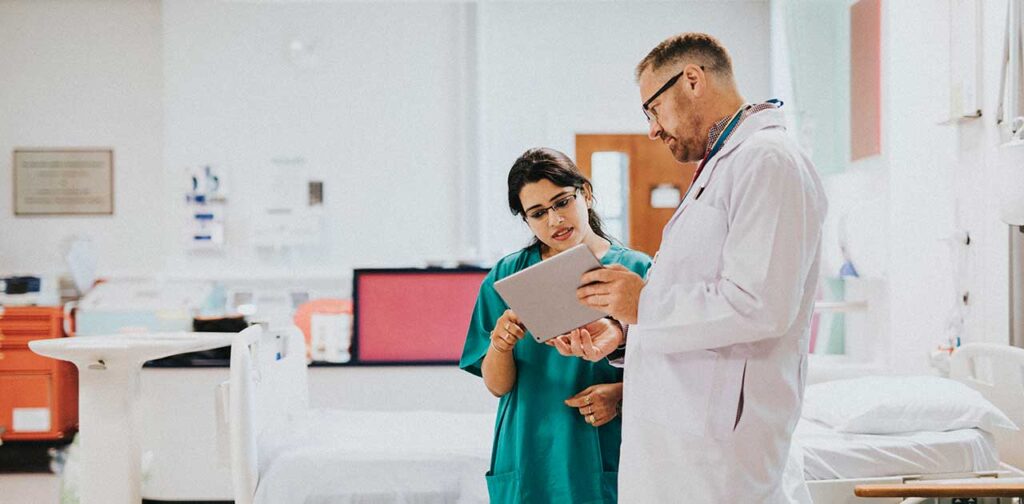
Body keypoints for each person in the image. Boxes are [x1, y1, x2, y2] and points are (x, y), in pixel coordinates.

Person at [549, 33, 827, 502]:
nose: (652, 130)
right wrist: (626, 330)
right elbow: (697, 298)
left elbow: (761, 305)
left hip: (719, 457)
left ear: (692, 79)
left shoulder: (768, 162)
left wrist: (644, 303)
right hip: (684, 447)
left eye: (652, 109)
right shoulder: (724, 167)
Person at [459, 147, 651, 503]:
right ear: (527, 221)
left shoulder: (636, 273)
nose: (555, 220)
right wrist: (500, 345)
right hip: (528, 452)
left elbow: (674, 371)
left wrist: (621, 396)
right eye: (538, 213)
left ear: (586, 195)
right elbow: (497, 386)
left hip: (601, 448)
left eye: (562, 202)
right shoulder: (508, 277)